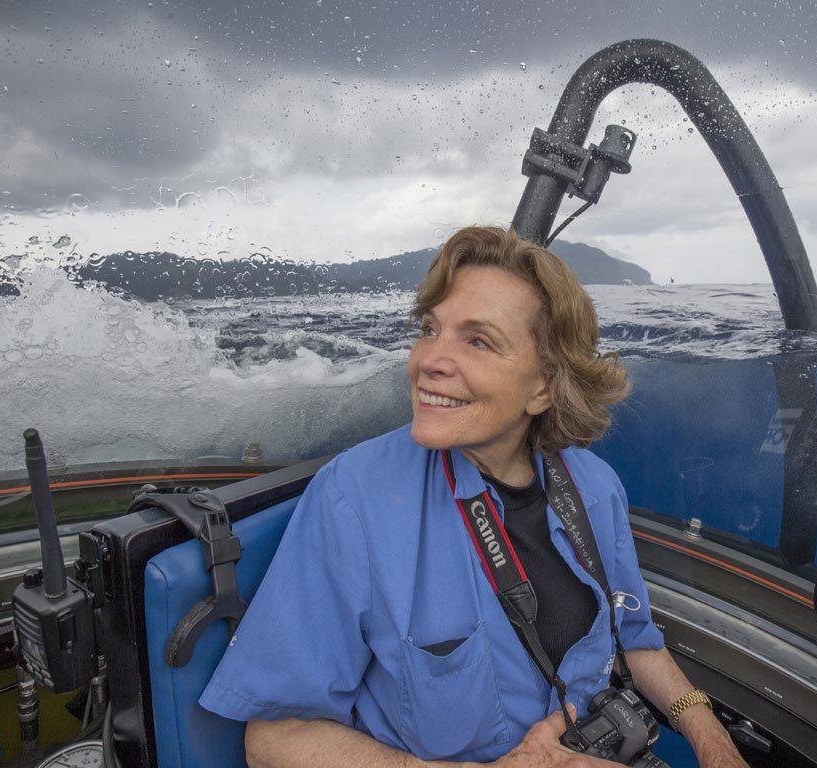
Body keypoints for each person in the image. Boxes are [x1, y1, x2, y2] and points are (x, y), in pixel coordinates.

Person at [199, 226, 748, 768]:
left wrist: (711, 740)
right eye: (430, 329)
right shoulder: (354, 497)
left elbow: (634, 637)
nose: (429, 360)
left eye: (477, 341)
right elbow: (275, 739)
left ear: (543, 387)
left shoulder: (597, 488)